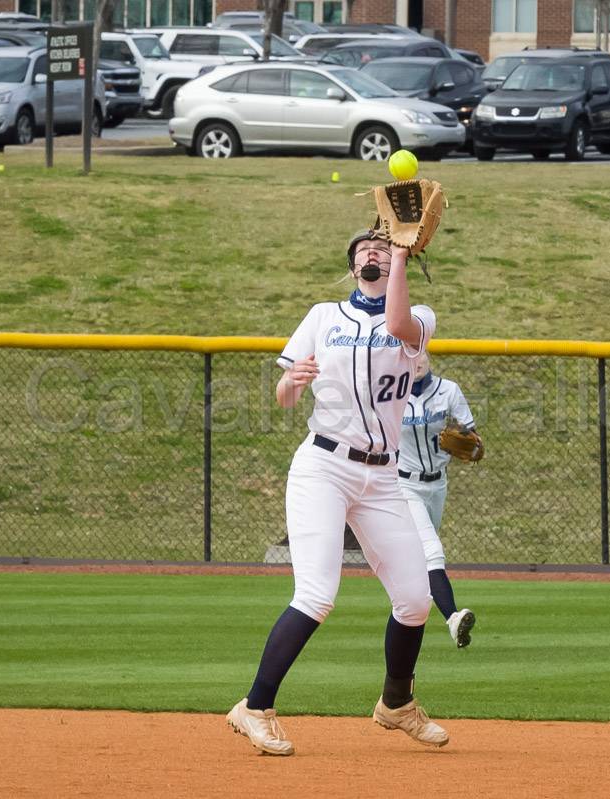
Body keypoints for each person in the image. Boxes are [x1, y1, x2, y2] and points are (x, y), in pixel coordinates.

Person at [226, 229, 448, 757]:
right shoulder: (322, 316)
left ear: (401, 262)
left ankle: (396, 703)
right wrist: (292, 382)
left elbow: (395, 323)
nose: (372, 252)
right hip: (324, 467)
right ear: (351, 269)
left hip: (383, 478)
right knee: (317, 595)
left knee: (416, 601)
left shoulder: (419, 319)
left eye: (381, 247)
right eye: (363, 251)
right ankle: (254, 707)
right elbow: (283, 397)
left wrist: (400, 253)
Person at [398, 352, 478, 648]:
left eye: (420, 354)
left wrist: (473, 444)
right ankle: (453, 617)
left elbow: (470, 434)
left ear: (429, 357)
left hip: (438, 484)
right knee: (432, 552)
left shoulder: (449, 390)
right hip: (404, 483)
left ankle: (408, 611)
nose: (416, 360)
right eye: (409, 355)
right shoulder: (389, 394)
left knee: (420, 559)